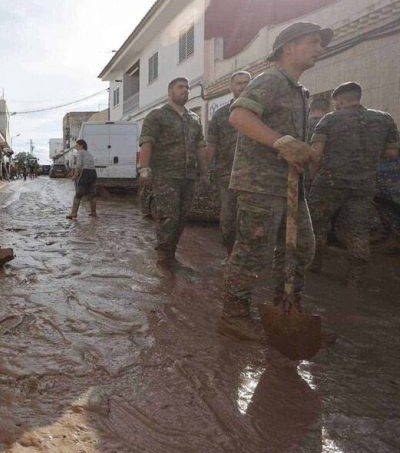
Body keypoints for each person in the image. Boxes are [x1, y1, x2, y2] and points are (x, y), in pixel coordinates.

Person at [219, 22, 332, 341]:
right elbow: (238, 117)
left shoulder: (300, 91)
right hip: (260, 183)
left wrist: (304, 151)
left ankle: (286, 310)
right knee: (252, 249)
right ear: (288, 48)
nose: (319, 49)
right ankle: (234, 314)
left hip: (289, 184)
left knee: (301, 248)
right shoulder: (270, 80)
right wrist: (281, 142)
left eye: (320, 43)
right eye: (312, 42)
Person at [308, 81, 399, 286]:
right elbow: (393, 152)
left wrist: (311, 177)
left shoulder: (329, 120)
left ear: (339, 101)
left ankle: (314, 265)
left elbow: (316, 154)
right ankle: (354, 278)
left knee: (318, 223)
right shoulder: (384, 119)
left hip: (329, 182)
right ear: (358, 97)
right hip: (364, 184)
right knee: (357, 228)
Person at [138, 77, 209, 269]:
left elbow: (200, 146)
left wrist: (204, 173)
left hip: (188, 176)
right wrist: (144, 169)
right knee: (169, 217)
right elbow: (147, 142)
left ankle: (171, 255)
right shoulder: (157, 116)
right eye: (180, 87)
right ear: (170, 91)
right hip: (165, 175)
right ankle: (163, 259)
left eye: (187, 88)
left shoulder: (194, 119)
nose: (185, 90)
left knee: (182, 217)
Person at [205, 71, 252, 254]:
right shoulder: (220, 115)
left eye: (246, 82)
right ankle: (230, 254)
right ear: (231, 87)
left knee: (253, 219)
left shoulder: (263, 112)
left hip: (256, 175)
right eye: (239, 83)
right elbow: (211, 145)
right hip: (227, 176)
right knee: (228, 218)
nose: (243, 86)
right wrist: (206, 171)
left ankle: (249, 257)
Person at [67, 139, 98, 219]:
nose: (76, 147)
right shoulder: (89, 153)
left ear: (81, 145)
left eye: (77, 145)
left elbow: (79, 165)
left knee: (78, 194)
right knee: (92, 194)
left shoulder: (80, 152)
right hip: (93, 173)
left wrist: (75, 176)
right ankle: (93, 213)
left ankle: (73, 214)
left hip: (85, 173)